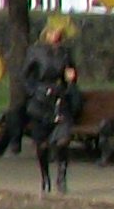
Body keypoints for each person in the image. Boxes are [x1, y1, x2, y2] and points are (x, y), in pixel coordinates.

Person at [22, 27, 84, 194]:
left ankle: (62, 178)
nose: (56, 36)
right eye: (53, 32)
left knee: (63, 140)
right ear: (46, 34)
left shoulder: (65, 53)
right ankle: (45, 178)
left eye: (59, 33)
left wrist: (71, 80)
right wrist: (36, 91)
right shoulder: (36, 52)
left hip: (60, 101)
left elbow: (71, 75)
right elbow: (27, 78)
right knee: (42, 145)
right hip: (41, 103)